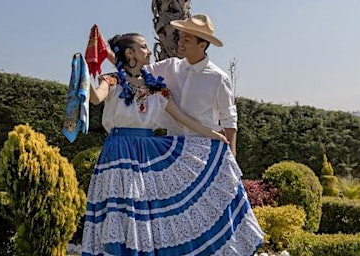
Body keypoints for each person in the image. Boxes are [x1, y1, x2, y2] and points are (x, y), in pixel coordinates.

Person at [81, 32, 263, 256]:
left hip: (147, 153)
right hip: (118, 152)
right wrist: (82, 76)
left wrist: (215, 135)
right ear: (130, 53)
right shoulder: (113, 80)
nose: (149, 51)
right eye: (144, 47)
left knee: (145, 211)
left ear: (202, 44)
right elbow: (96, 97)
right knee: (120, 209)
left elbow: (184, 118)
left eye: (188, 38)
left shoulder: (159, 89)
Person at [145, 13, 239, 157]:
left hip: (205, 148)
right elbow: (136, 73)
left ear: (202, 45)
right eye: (181, 37)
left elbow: (229, 117)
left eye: (187, 39)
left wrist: (231, 152)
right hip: (171, 146)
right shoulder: (169, 67)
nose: (181, 42)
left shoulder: (218, 78)